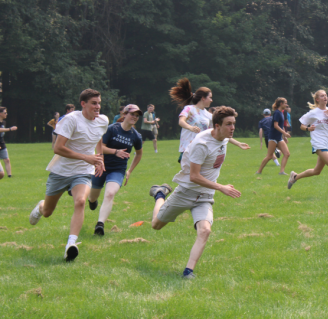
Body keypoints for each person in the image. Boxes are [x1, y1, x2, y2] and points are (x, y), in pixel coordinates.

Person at [150, 106, 241, 279]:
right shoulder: (202, 144)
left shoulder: (224, 137)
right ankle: (160, 194)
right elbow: (194, 176)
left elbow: (227, 139)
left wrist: (239, 143)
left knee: (205, 230)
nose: (233, 128)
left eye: (233, 124)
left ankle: (188, 271)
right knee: (156, 225)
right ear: (217, 126)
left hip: (205, 195)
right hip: (186, 192)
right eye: (229, 124)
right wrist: (221, 187)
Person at [28, 89, 109, 261]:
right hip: (61, 172)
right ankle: (41, 207)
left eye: (99, 103)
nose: (98, 107)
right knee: (49, 211)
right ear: (83, 104)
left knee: (80, 201)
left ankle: (70, 244)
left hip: (83, 172)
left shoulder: (103, 121)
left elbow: (99, 137)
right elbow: (58, 148)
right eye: (94, 103)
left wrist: (99, 158)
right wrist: (86, 157)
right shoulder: (71, 120)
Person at [88, 104, 144, 236]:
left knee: (110, 194)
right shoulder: (112, 129)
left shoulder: (136, 136)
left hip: (118, 170)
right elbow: (100, 147)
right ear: (124, 115)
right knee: (92, 196)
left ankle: (100, 225)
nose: (134, 117)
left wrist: (129, 171)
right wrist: (115, 151)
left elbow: (139, 154)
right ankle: (92, 201)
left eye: (137, 116)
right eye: (132, 114)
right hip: (101, 166)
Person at [169, 78, 250, 163]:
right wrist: (190, 128)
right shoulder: (189, 108)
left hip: (202, 149)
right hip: (188, 148)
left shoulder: (209, 115)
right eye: (210, 97)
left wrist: (238, 144)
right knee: (191, 175)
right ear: (203, 98)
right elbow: (181, 121)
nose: (212, 100)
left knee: (197, 175)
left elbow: (220, 131)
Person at [256, 97, 291, 175]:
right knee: (269, 156)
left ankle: (281, 172)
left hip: (279, 137)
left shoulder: (281, 112)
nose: (286, 105)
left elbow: (281, 126)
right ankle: (259, 171)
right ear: (281, 104)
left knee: (287, 154)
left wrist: (284, 136)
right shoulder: (277, 113)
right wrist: (285, 133)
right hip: (273, 137)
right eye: (285, 103)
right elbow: (275, 125)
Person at [0, 107, 18, 179]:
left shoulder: (3, 122)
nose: (6, 114)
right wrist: (10, 129)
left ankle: (9, 176)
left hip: (1, 142)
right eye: (5, 113)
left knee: (7, 159)